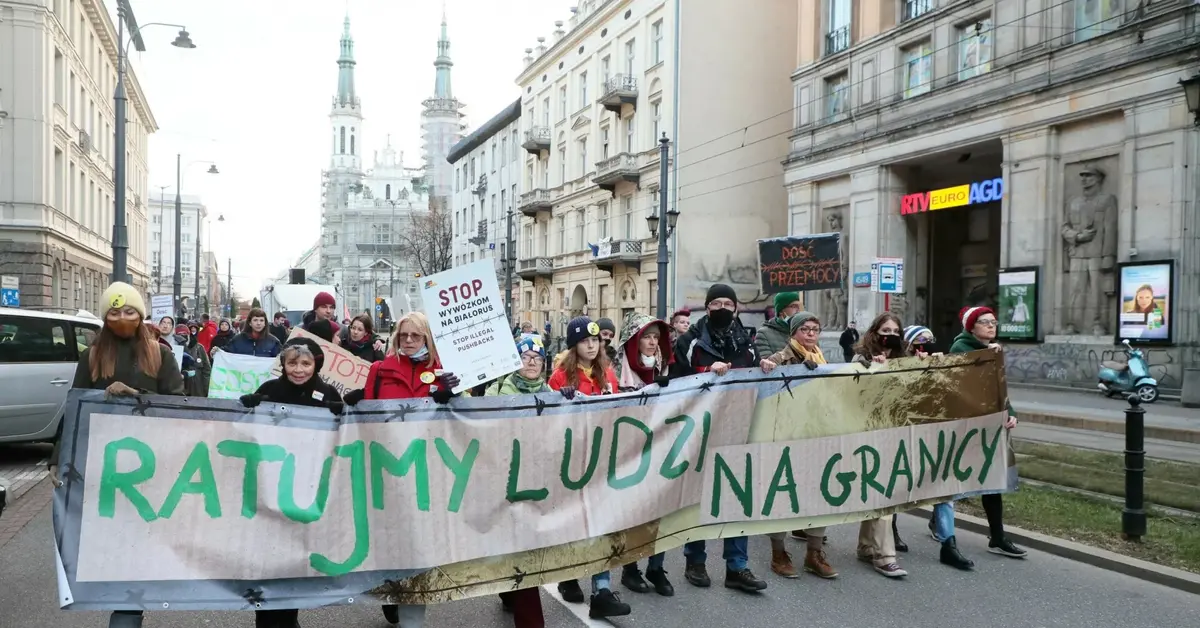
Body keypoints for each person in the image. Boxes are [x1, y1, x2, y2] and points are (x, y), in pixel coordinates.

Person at [53, 282, 183, 628]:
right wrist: (58, 456)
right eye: (114, 311)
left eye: (129, 311)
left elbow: (179, 405)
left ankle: (132, 606)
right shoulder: (92, 356)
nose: (122, 317)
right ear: (105, 316)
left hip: (151, 469)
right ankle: (127, 609)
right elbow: (75, 408)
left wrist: (135, 394)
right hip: (104, 472)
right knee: (119, 547)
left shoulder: (160, 354)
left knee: (144, 545)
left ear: (140, 315)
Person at [343, 311, 459, 627]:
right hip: (386, 471)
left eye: (416, 336)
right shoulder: (380, 371)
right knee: (389, 544)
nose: (408, 341)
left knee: (418, 550)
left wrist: (451, 397)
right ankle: (392, 592)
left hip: (426, 473)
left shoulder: (442, 374)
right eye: (403, 335)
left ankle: (411, 615)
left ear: (427, 339)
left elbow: (460, 424)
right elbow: (365, 421)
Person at [239, 337, 343, 628]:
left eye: (306, 363)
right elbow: (245, 433)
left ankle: (288, 618)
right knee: (268, 560)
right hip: (269, 489)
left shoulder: (327, 392)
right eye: (292, 363)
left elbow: (343, 439)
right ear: (283, 364)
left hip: (305, 492)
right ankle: (267, 619)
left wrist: (344, 414)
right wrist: (247, 407)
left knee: (294, 560)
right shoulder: (269, 391)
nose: (299, 369)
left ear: (316, 364)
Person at [671, 284, 767, 593]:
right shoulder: (689, 340)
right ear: (707, 307)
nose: (722, 307)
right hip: (700, 430)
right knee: (698, 496)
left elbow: (757, 380)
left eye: (728, 302)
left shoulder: (747, 342)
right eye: (716, 303)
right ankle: (695, 561)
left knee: (737, 496)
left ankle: (737, 566)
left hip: (738, 428)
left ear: (736, 308)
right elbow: (677, 381)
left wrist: (766, 367)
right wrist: (705, 370)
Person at [929, 306, 1027, 570]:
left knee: (992, 477)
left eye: (994, 321)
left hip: (988, 425)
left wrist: (1011, 413)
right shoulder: (962, 349)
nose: (991, 326)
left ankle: (997, 535)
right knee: (954, 476)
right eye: (985, 322)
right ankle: (940, 525)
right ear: (971, 326)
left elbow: (999, 390)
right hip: (966, 426)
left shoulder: (992, 350)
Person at [546, 316, 628, 618]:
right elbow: (548, 421)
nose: (592, 345)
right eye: (584, 340)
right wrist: (559, 399)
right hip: (573, 462)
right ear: (573, 345)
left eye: (596, 340)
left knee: (602, 524)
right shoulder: (559, 377)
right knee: (575, 525)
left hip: (603, 458)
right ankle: (569, 577)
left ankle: (602, 591)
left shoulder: (607, 373)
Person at [758, 312, 844, 579]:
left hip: (816, 434)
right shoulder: (780, 359)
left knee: (820, 493)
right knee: (783, 495)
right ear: (793, 333)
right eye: (804, 329)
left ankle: (814, 553)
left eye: (815, 329)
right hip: (786, 437)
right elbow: (766, 386)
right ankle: (779, 552)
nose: (810, 334)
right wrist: (769, 367)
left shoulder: (824, 360)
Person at [486, 334, 553, 627]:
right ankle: (509, 589)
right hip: (503, 478)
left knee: (527, 547)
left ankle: (526, 611)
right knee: (508, 543)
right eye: (526, 358)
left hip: (535, 480)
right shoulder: (497, 390)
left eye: (537, 359)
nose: (531, 363)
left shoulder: (551, 392)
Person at [839, 313, 911, 578]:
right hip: (869, 434)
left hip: (896, 432)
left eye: (895, 330)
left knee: (878, 490)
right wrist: (875, 371)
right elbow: (857, 396)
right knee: (884, 492)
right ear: (874, 331)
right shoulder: (861, 359)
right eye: (885, 329)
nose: (890, 334)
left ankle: (867, 546)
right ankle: (885, 556)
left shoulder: (905, 360)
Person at [612, 312, 675, 596]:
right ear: (634, 339)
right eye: (646, 337)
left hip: (660, 449)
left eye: (655, 337)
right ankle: (630, 569)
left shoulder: (666, 367)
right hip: (628, 453)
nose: (651, 342)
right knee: (634, 513)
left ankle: (656, 567)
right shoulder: (614, 370)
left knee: (659, 511)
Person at [755, 292, 801, 360]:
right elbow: (766, 364)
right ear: (781, 311)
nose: (798, 310)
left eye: (799, 306)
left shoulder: (805, 331)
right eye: (794, 306)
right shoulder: (764, 334)